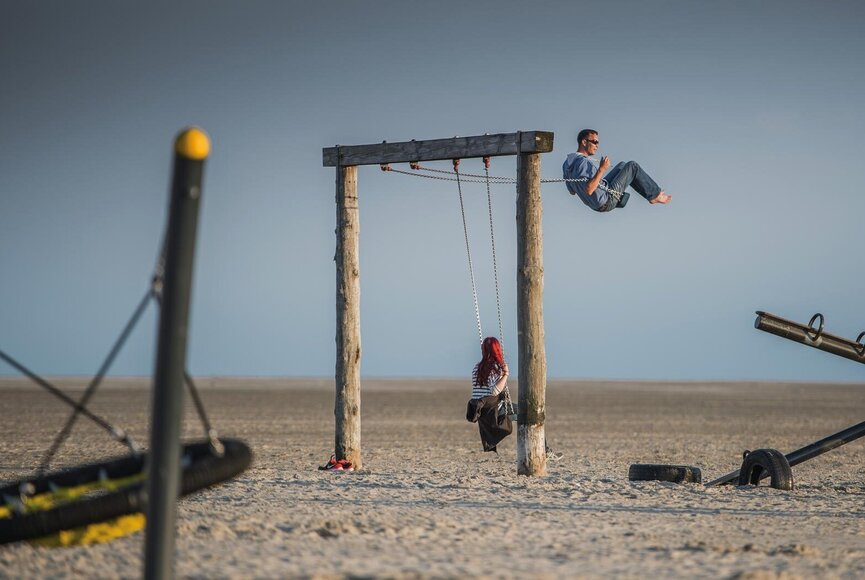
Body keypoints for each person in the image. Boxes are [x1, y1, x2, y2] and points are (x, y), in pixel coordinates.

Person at [562, 129, 672, 213]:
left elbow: (572, 191)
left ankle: (650, 194)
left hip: (596, 202)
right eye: (595, 142)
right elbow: (589, 189)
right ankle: (655, 195)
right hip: (606, 200)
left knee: (622, 165)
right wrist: (601, 169)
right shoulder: (583, 162)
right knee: (632, 166)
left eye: (598, 143)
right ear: (584, 142)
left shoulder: (567, 164)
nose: (597, 146)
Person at [465, 337, 513, 453]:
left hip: (482, 410)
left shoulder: (477, 367)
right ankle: (543, 448)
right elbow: (494, 391)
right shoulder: (494, 368)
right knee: (526, 413)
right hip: (493, 409)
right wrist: (505, 374)